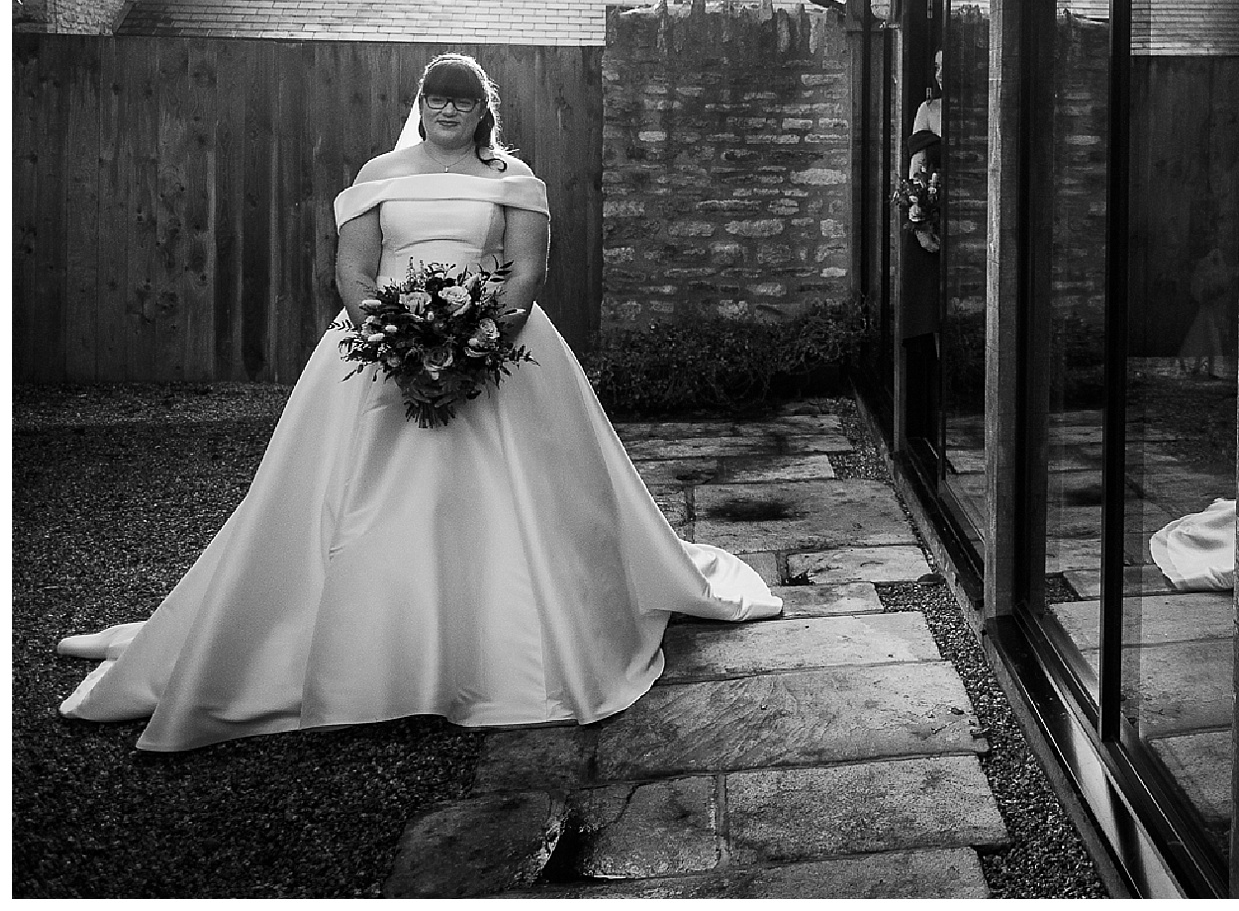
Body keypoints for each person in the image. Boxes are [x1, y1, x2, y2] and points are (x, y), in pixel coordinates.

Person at [56, 53, 781, 753]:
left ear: (481, 112)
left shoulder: (514, 179)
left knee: (523, 499)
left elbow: (528, 269)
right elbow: (352, 265)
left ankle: (499, 649)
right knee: (336, 498)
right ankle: (358, 651)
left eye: (464, 101)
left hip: (495, 342)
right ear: (421, 104)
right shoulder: (379, 176)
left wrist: (481, 342)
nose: (449, 110)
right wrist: (391, 343)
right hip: (380, 347)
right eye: (438, 98)